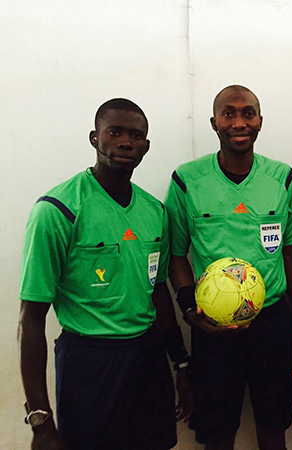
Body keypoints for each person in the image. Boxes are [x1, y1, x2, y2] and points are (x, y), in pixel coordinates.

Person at [18, 98, 192, 450]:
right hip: (88, 362)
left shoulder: (155, 211)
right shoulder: (57, 210)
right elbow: (31, 319)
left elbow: (157, 293)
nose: (125, 142)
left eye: (136, 135)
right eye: (114, 132)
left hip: (147, 356)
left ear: (146, 145)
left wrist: (181, 364)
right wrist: (40, 419)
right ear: (95, 138)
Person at [164, 85, 292, 450]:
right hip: (212, 327)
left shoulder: (283, 178)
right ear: (214, 122)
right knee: (216, 431)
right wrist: (190, 312)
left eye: (248, 113)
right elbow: (176, 255)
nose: (239, 122)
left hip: (272, 322)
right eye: (229, 113)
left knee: (274, 427)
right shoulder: (186, 180)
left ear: (260, 122)